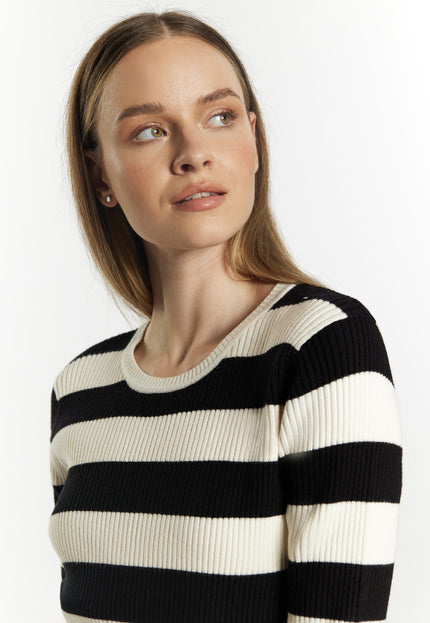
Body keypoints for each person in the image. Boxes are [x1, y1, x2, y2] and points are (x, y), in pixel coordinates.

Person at [48, 10, 403, 623]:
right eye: (149, 131)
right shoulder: (80, 389)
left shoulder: (321, 347)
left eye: (220, 117)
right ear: (101, 172)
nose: (194, 154)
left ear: (254, 140)